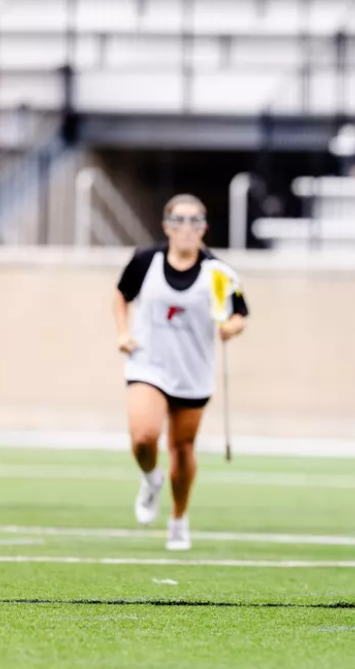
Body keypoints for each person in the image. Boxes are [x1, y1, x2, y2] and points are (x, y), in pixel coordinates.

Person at [114, 195, 248, 551]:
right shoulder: (145, 260)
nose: (186, 228)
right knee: (144, 436)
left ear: (203, 227)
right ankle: (150, 478)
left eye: (194, 221)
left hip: (193, 371)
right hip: (148, 365)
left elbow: (239, 313)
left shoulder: (218, 271)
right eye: (179, 220)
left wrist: (231, 329)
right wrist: (123, 332)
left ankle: (178, 518)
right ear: (166, 226)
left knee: (182, 448)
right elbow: (120, 294)